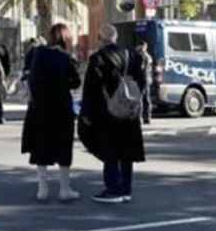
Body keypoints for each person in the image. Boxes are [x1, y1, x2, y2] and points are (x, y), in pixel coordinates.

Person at [81, 24, 147, 204]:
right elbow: (142, 81)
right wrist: (133, 99)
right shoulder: (130, 55)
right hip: (130, 110)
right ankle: (126, 188)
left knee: (110, 151)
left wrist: (87, 113)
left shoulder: (99, 58)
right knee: (127, 152)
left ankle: (113, 189)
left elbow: (91, 88)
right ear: (116, 38)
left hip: (108, 111)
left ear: (101, 39)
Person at [23, 22, 83, 203]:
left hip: (39, 108)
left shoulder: (38, 54)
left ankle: (43, 188)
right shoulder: (66, 59)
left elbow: (31, 77)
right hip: (60, 108)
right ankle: (65, 188)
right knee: (63, 146)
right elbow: (75, 83)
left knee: (41, 146)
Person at [134, 41, 155, 124]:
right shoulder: (148, 56)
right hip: (147, 79)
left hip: (142, 79)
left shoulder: (143, 56)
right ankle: (147, 117)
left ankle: (139, 116)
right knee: (146, 98)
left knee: (140, 98)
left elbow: (141, 68)